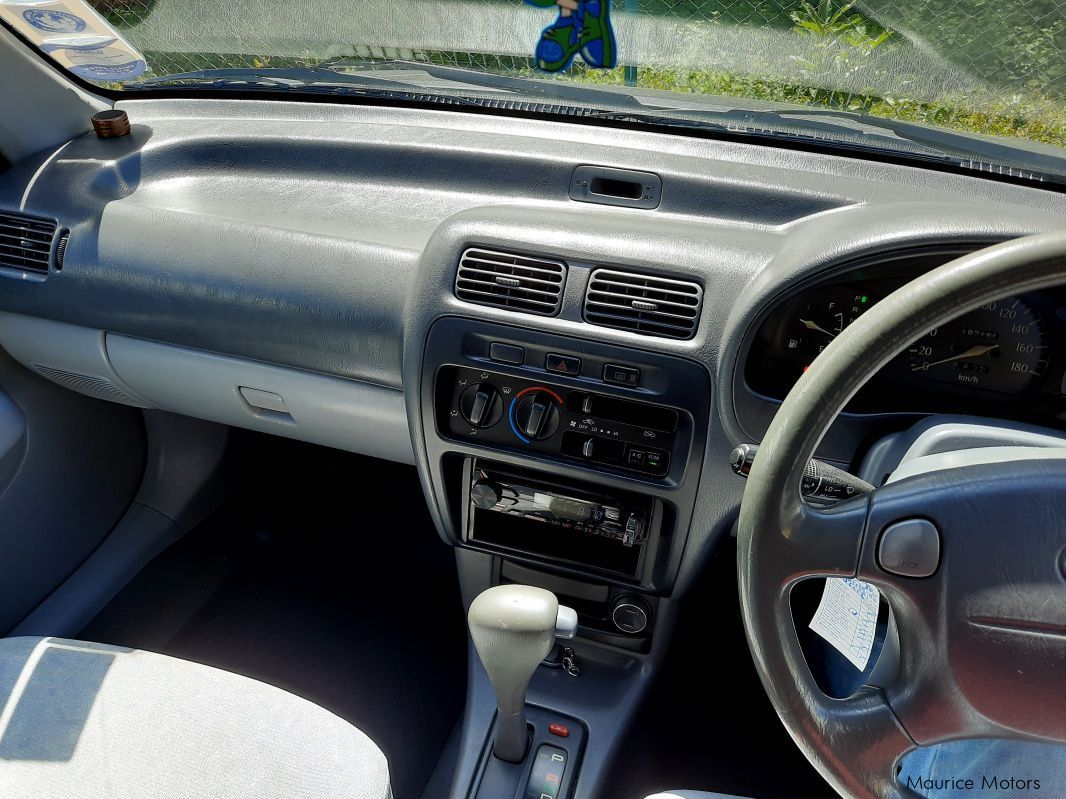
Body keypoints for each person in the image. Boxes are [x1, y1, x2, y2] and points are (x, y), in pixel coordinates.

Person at [525, 0, 616, 72]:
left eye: (545, 46)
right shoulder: (590, 45)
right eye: (554, 49)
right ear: (570, 48)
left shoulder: (565, 18)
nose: (549, 38)